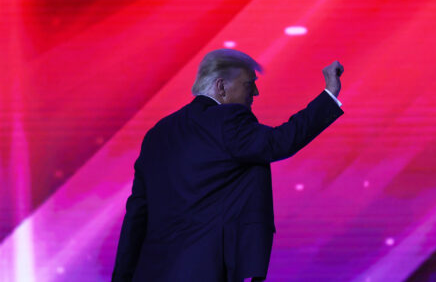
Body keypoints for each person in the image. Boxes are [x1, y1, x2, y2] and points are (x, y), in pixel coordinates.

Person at [112, 49, 344, 282]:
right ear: (221, 87)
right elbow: (280, 141)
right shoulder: (226, 120)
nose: (255, 92)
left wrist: (122, 277)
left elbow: (136, 217)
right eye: (249, 84)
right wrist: (329, 94)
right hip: (205, 271)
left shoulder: (157, 134)